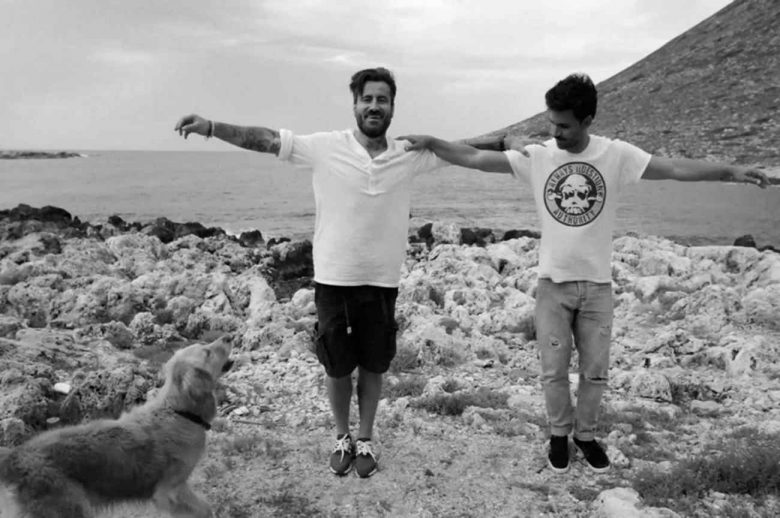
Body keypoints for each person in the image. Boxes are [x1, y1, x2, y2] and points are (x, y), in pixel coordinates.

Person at [402, 73, 769, 474]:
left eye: (564, 125)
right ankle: (559, 435)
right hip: (552, 286)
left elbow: (674, 169)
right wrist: (433, 141)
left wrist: (730, 171)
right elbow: (474, 159)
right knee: (554, 371)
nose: (555, 133)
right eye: (552, 123)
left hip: (597, 287)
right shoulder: (538, 156)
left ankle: (586, 436)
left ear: (588, 120)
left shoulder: (615, 155)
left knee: (595, 373)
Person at [174, 67, 456, 478]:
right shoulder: (325, 147)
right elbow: (267, 140)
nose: (374, 106)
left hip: (382, 282)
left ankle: (365, 438)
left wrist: (509, 144)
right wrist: (212, 128)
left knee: (374, 367)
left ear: (393, 107)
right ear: (355, 104)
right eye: (367, 99)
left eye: (382, 99)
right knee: (336, 367)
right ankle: (342, 436)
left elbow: (466, 150)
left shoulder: (409, 153)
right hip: (333, 282)